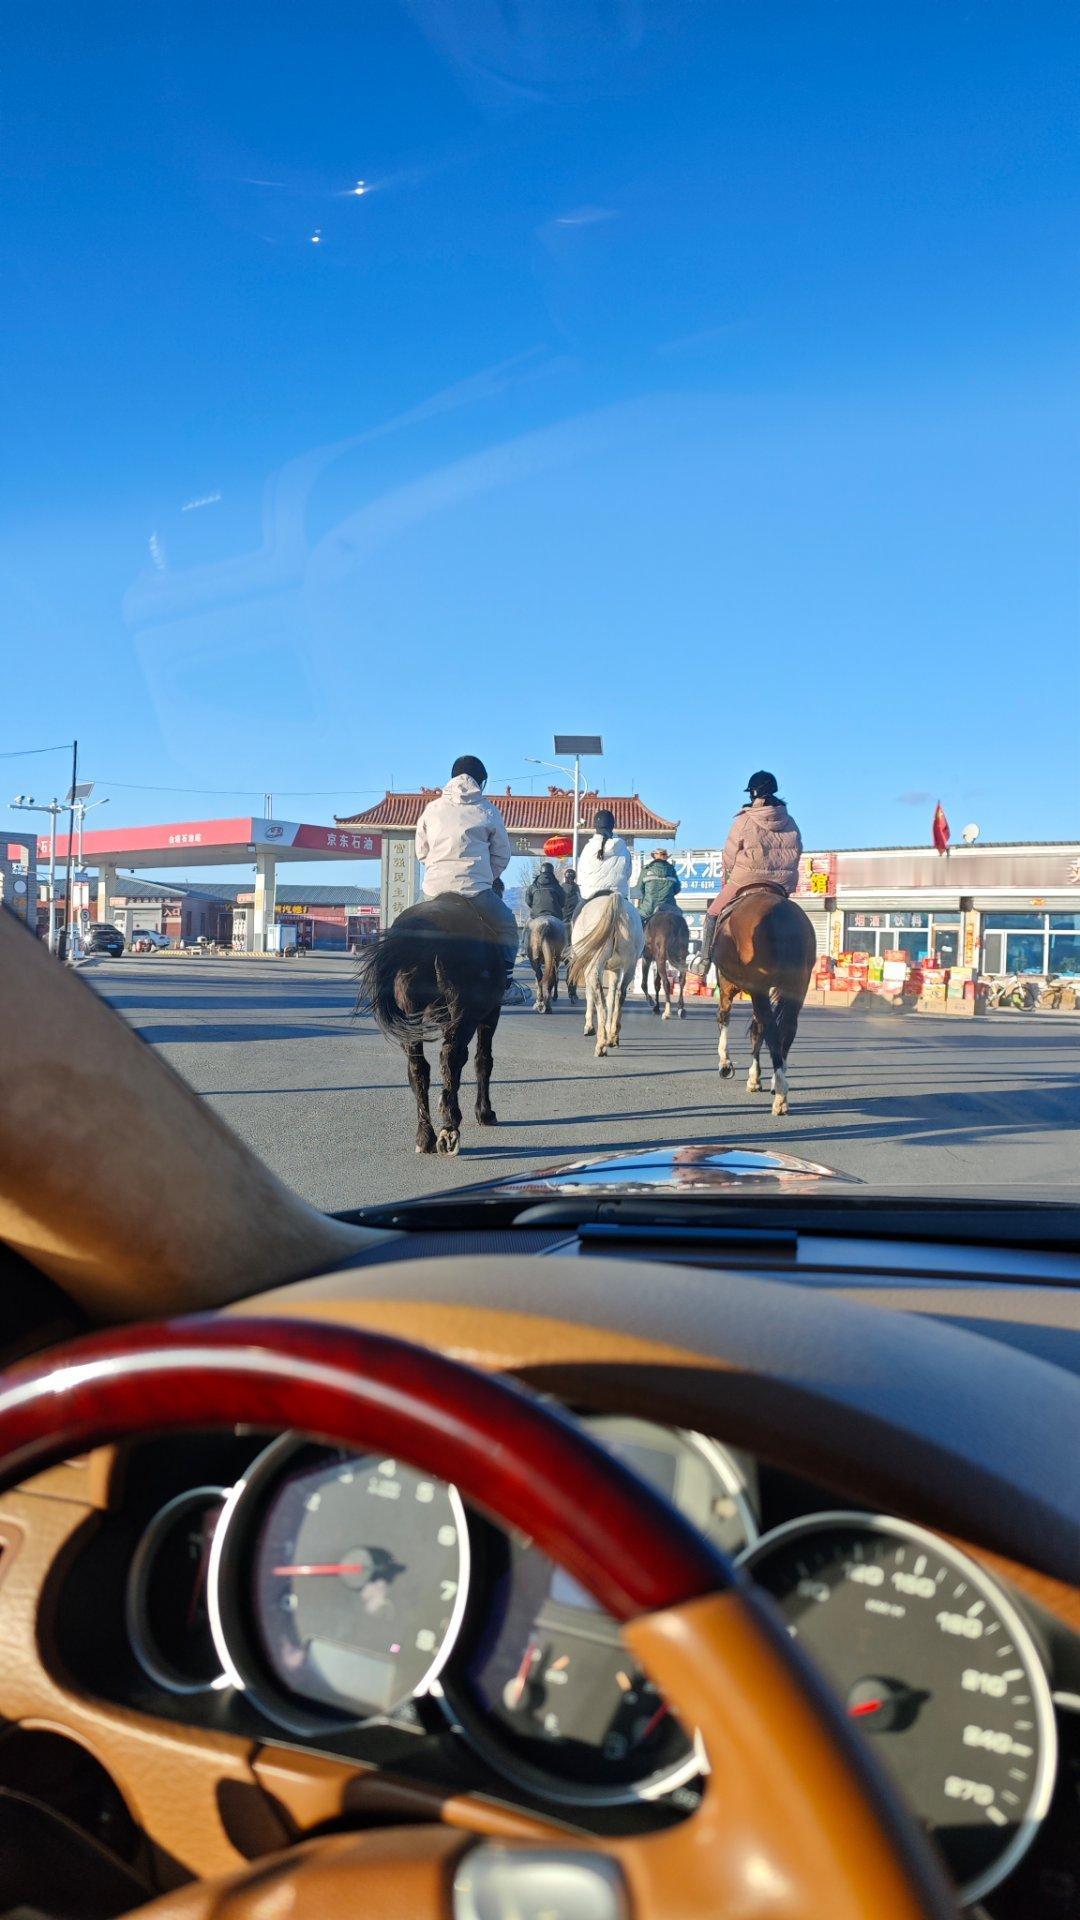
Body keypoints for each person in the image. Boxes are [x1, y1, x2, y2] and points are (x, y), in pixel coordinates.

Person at [414, 755, 518, 963]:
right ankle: (506, 982)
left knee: (405, 929)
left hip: (433, 890)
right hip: (474, 891)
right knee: (508, 927)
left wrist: (438, 869)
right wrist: (484, 877)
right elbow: (501, 855)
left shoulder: (432, 809)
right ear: (480, 781)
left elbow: (422, 852)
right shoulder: (488, 810)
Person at [706, 771, 803, 928]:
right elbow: (796, 854)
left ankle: (706, 953)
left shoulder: (744, 820)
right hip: (780, 885)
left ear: (752, 793)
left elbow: (729, 856)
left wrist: (732, 871)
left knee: (712, 914)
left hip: (745, 880)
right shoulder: (790, 821)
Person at [576, 808, 633, 904]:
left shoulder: (588, 848)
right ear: (612, 826)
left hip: (591, 896)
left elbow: (581, 875)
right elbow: (628, 873)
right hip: (618, 896)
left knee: (575, 917)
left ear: (595, 826)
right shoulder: (624, 848)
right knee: (635, 917)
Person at [638, 846, 682, 924]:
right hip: (669, 907)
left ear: (654, 857)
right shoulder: (672, 870)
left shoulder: (646, 869)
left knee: (636, 922)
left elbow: (640, 888)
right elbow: (677, 889)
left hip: (649, 908)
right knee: (680, 921)